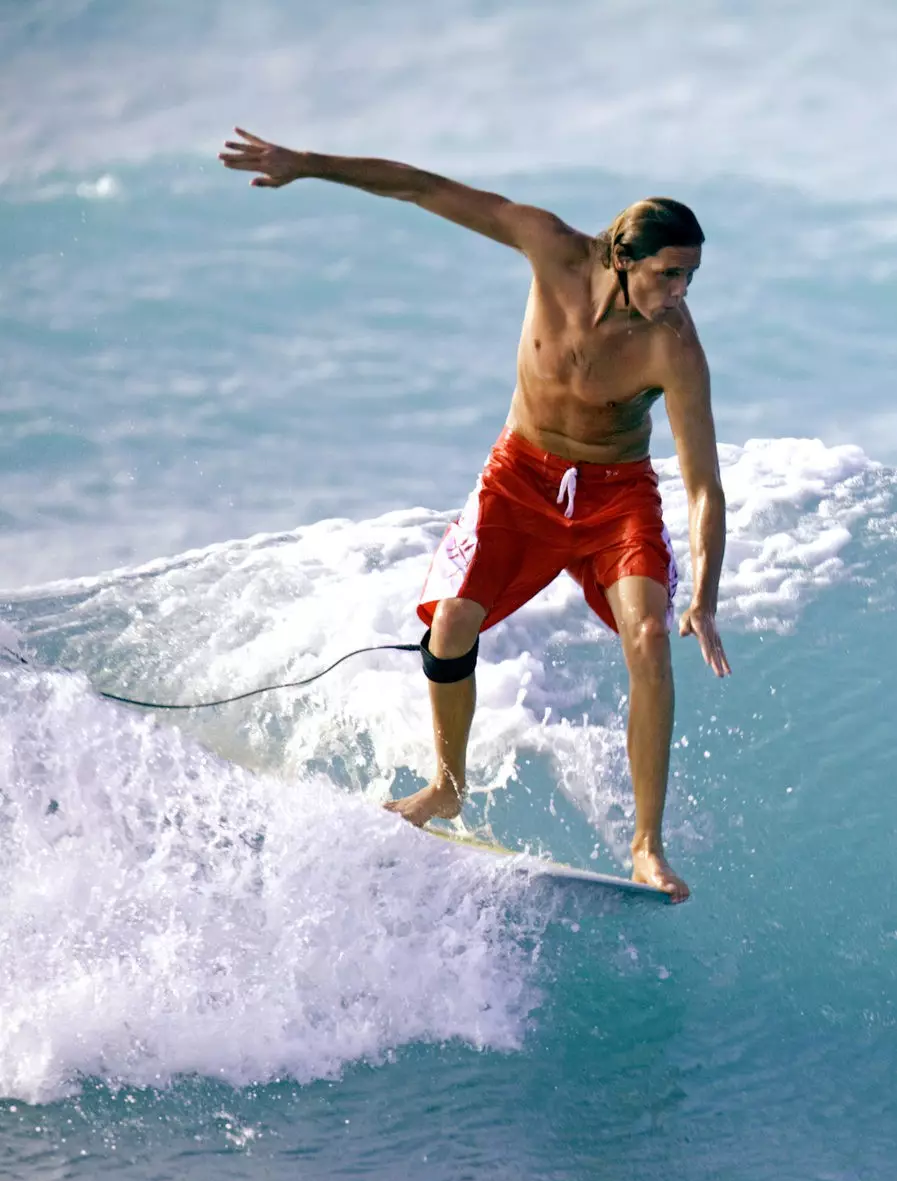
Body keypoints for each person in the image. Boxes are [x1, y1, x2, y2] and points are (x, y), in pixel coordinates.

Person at [219, 128, 729, 902]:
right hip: (519, 478)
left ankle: (647, 845)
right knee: (450, 626)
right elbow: (423, 187)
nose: (681, 293)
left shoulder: (673, 346)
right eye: (669, 275)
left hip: (615, 495)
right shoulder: (550, 247)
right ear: (623, 259)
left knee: (651, 636)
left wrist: (705, 595)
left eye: (691, 278)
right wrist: (307, 166)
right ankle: (446, 786)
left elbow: (702, 488)